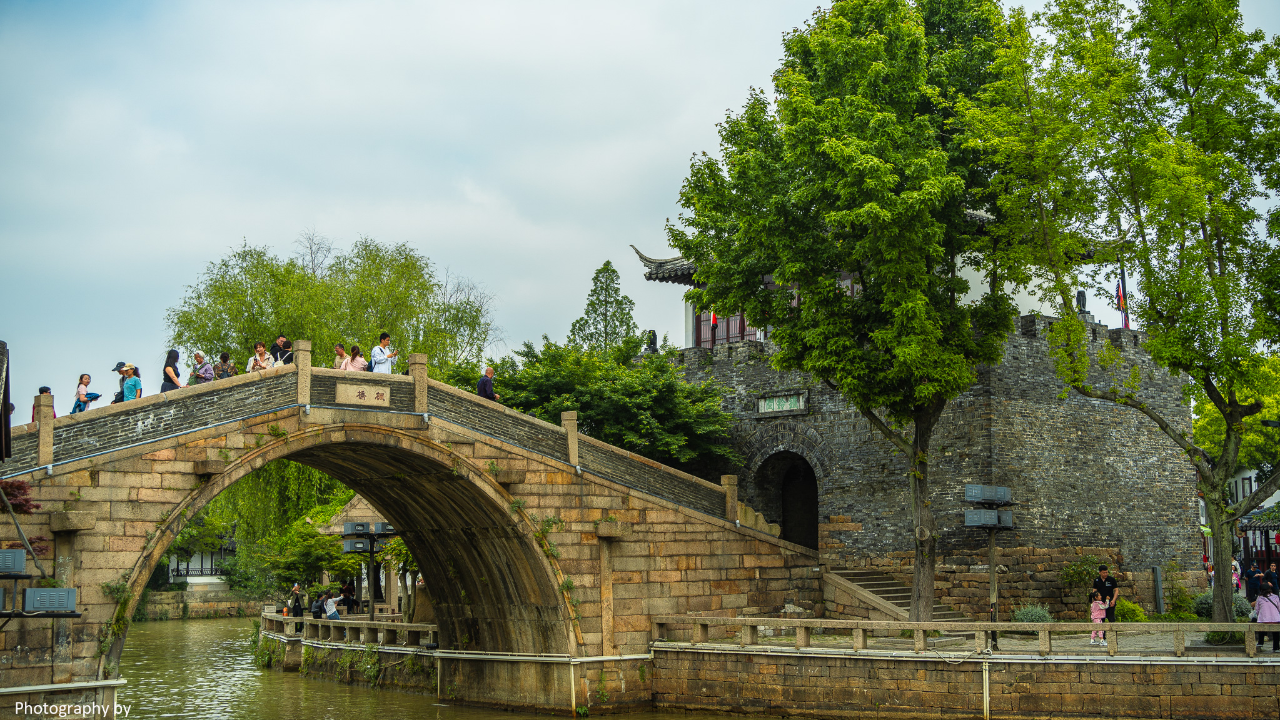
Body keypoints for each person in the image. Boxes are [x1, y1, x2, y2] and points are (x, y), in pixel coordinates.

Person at [1092, 565, 1119, 642]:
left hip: (1110, 603)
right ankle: (1102, 638)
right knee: (1101, 620)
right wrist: (1095, 601)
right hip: (1100, 604)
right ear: (1100, 572)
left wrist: (1113, 600)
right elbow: (1094, 591)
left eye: (1106, 572)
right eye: (1104, 573)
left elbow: (1116, 590)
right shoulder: (1097, 580)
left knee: (1111, 619)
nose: (1105, 574)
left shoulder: (1111, 580)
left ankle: (1113, 637)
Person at [1255, 582, 1280, 653]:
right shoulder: (1276, 597)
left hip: (1263, 619)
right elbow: (1279, 608)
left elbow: (1257, 609)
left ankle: (1260, 643)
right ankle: (1276, 647)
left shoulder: (1259, 598)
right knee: (1276, 633)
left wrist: (1259, 615)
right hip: (1275, 619)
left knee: (1261, 629)